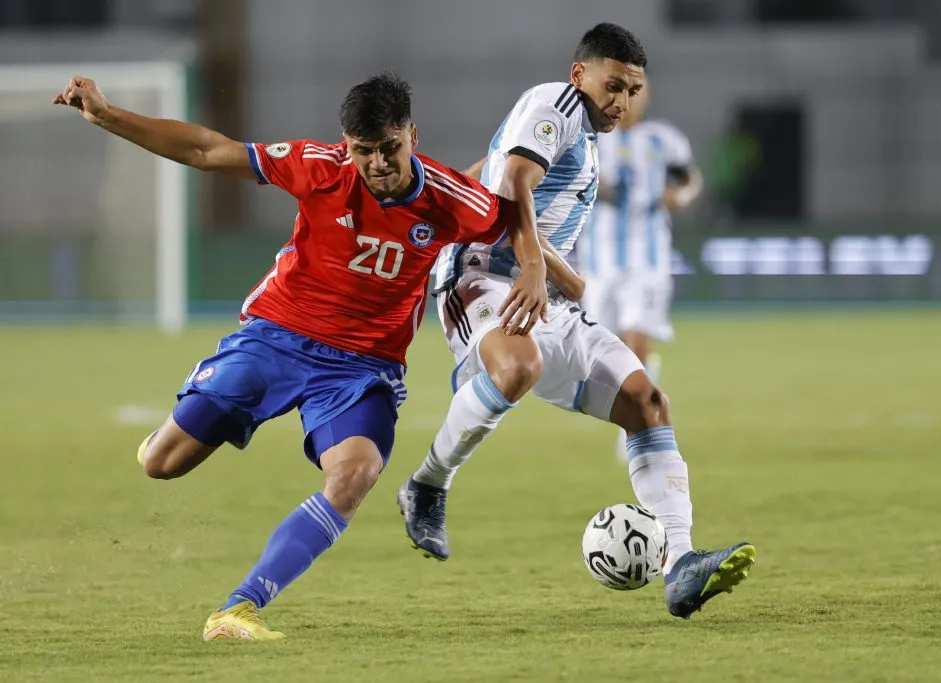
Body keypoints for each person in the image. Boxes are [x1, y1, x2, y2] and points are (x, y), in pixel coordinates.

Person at [54, 71, 548, 640]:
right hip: (275, 337)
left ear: (412, 134)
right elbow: (208, 149)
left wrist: (534, 266)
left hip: (362, 367)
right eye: (365, 152)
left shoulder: (449, 198)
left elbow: (510, 217)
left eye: (391, 148)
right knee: (162, 464)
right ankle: (183, 420)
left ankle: (239, 608)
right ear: (347, 145)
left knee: (356, 473)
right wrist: (108, 115)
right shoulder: (320, 166)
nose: (379, 164)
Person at [397, 23, 755, 620]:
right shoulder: (554, 105)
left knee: (648, 403)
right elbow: (512, 181)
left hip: (544, 294)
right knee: (518, 366)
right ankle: (428, 483)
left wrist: (562, 278)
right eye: (612, 85)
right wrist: (535, 266)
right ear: (579, 75)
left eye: (632, 90)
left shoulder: (586, 139)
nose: (621, 101)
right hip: (483, 275)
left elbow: (491, 173)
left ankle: (682, 564)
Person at [573, 84, 703, 461]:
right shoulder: (588, 139)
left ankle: (640, 426)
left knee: (638, 339)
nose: (628, 100)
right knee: (602, 357)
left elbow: (690, 178)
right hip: (598, 263)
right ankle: (640, 392)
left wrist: (681, 196)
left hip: (646, 260)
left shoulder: (664, 140)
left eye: (637, 91)